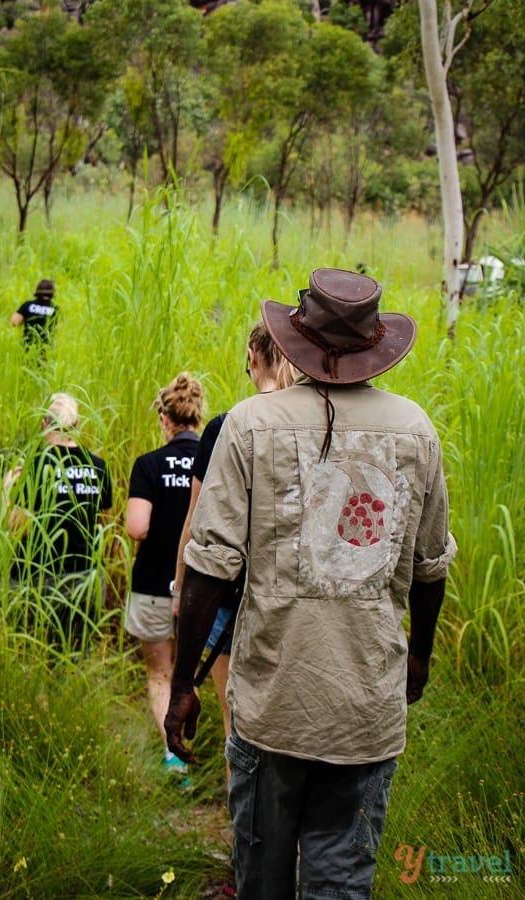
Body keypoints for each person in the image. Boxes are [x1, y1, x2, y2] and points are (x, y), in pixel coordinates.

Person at [165, 268, 458, 899]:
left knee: (262, 879)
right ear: (375, 344)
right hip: (366, 709)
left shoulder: (249, 424)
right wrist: (420, 655)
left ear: (298, 337)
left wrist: (184, 683)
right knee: (341, 882)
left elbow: (209, 567)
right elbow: (432, 566)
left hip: (274, 707)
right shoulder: (415, 430)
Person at [172, 322, 298, 761]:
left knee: (236, 722)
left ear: (252, 357)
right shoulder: (316, 425)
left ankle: (242, 827)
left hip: (225, 597)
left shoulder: (229, 426)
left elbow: (197, 523)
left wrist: (179, 587)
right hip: (292, 600)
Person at [125, 372, 205, 783]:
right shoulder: (212, 461)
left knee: (159, 673)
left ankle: (174, 760)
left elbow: (137, 527)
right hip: (203, 591)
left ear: (164, 419)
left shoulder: (149, 465)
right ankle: (212, 750)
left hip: (155, 584)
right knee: (192, 672)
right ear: (197, 416)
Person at [4, 392, 113, 654]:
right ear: (76, 426)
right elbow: (103, 524)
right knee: (75, 659)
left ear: (44, 424)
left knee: (34, 657)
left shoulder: (36, 464)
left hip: (38, 579)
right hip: (84, 576)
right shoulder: (98, 466)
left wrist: (7, 492)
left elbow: (19, 527)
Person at [11, 279, 58, 354]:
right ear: (53, 292)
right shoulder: (55, 309)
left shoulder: (27, 305)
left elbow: (14, 322)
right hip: (46, 349)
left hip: (27, 346)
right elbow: (60, 330)